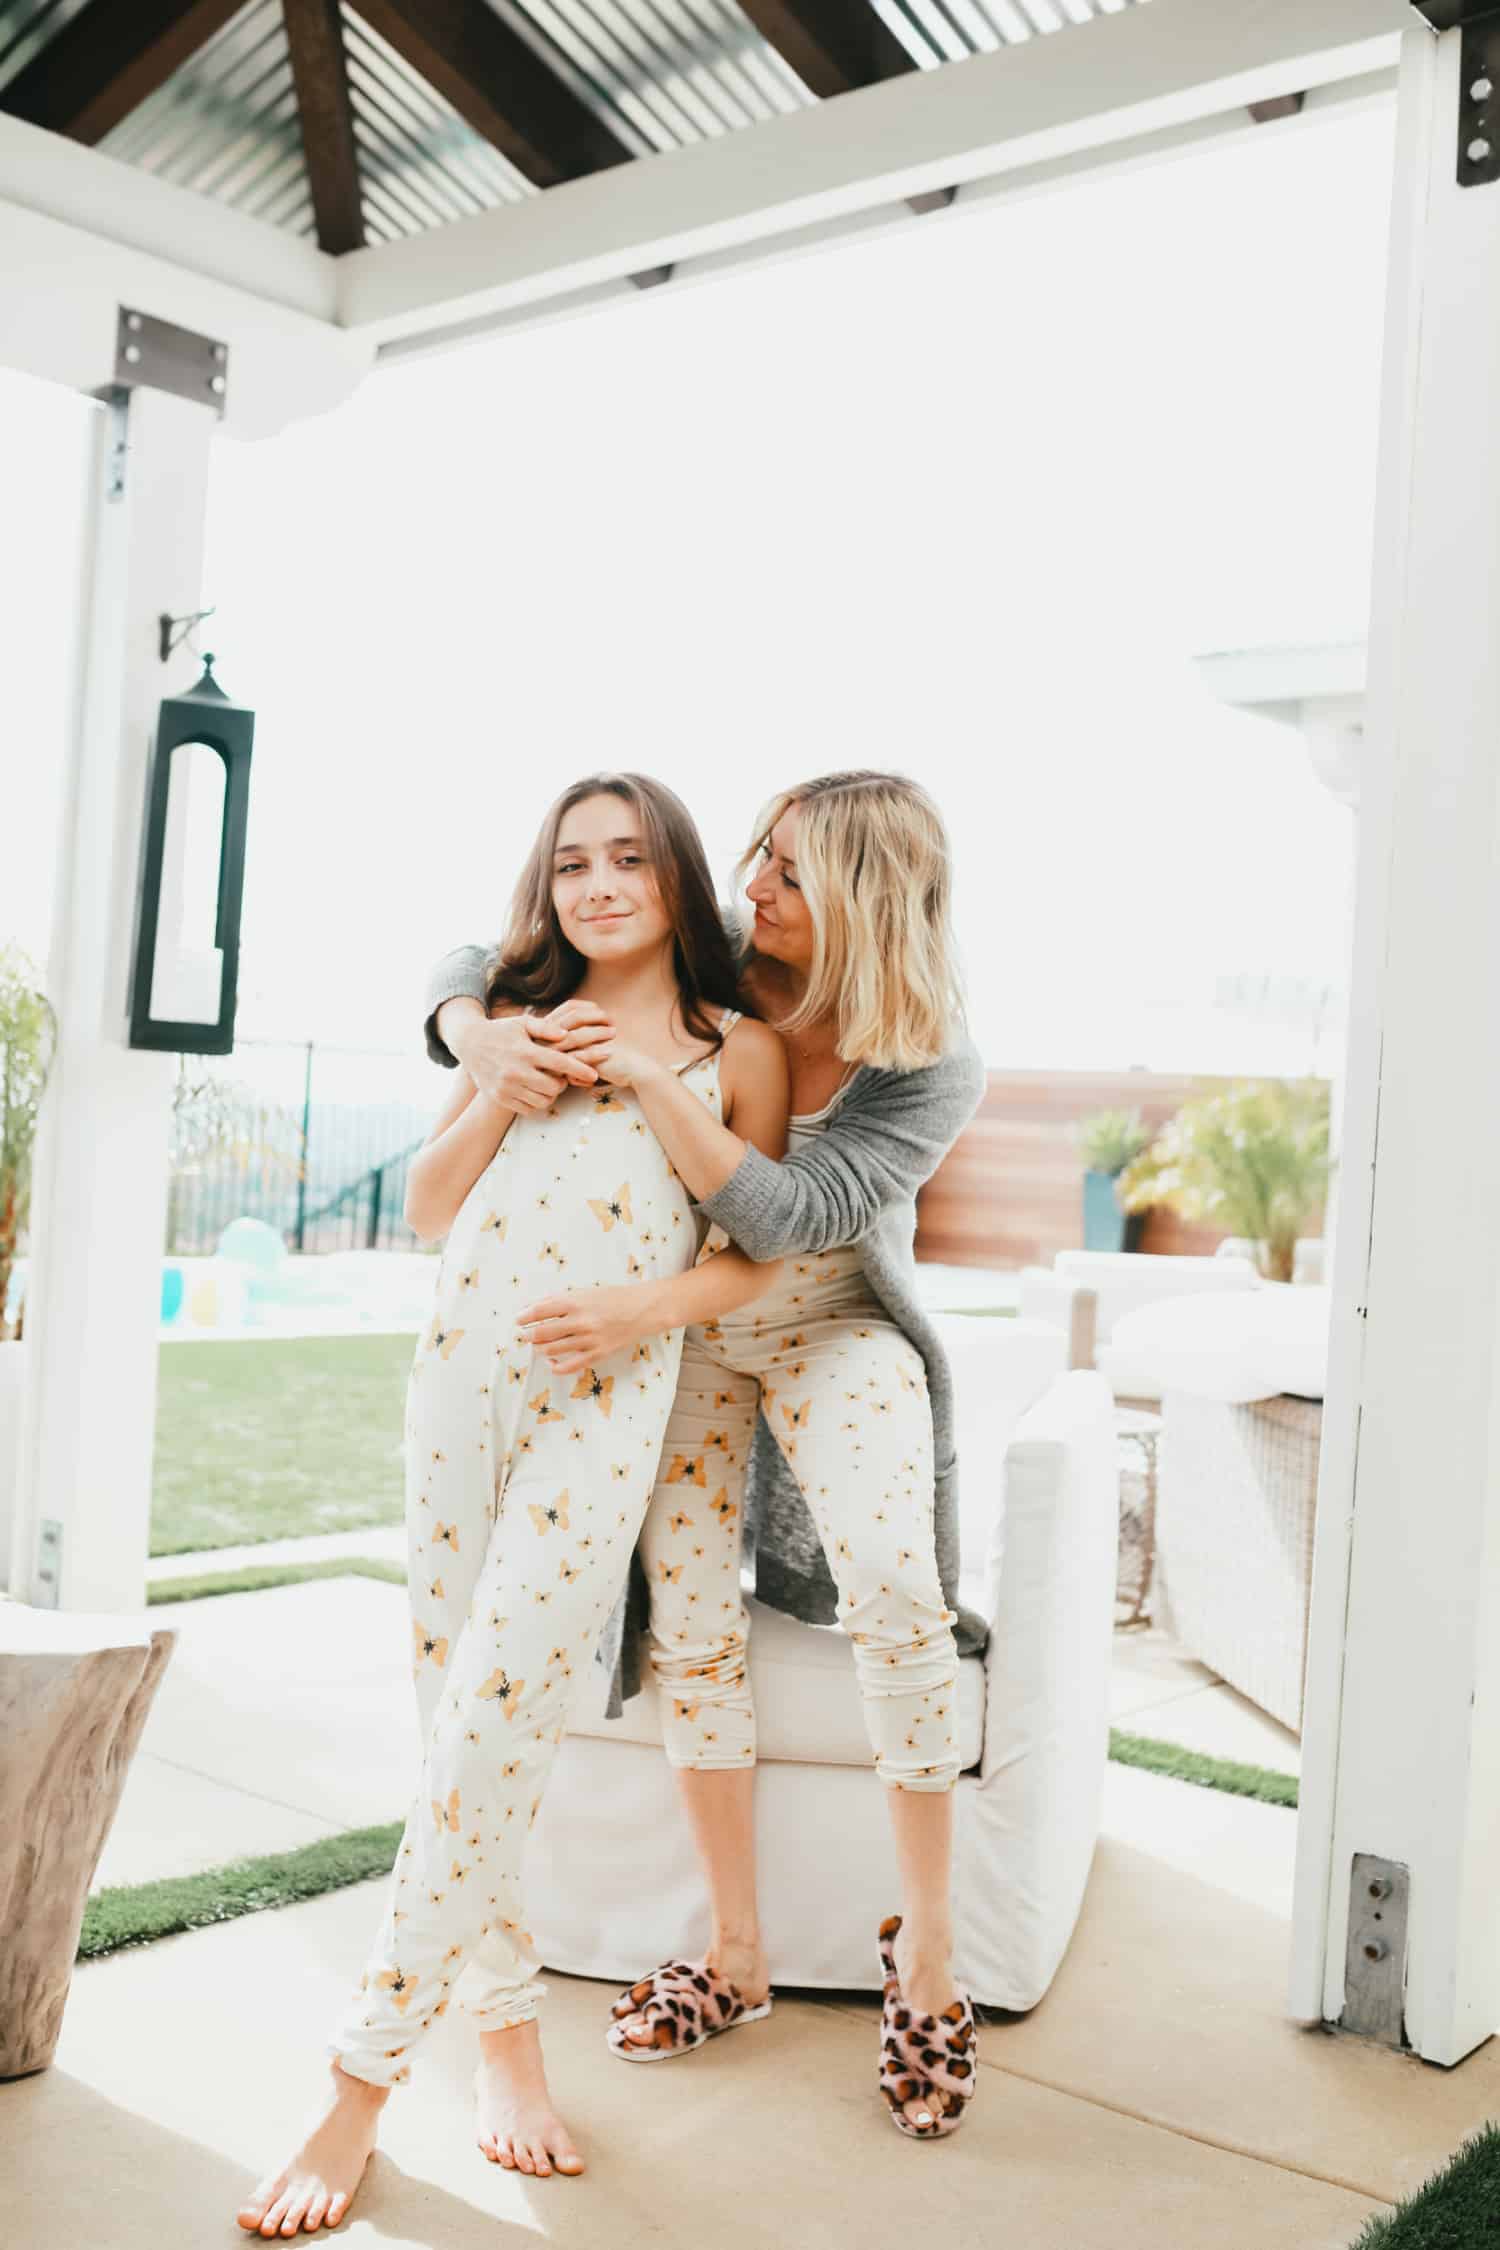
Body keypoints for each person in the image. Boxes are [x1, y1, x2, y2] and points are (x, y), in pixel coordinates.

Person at [236, 774, 788, 2237]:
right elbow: (426, 1209)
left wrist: (638, 1309)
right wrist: (497, 1072)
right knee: (450, 1719)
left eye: (625, 857)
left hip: (602, 1407)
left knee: (494, 1713)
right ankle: (503, 2043)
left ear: (674, 875)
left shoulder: (740, 1050)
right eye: (571, 865)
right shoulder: (514, 1016)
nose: (599, 884)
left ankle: (357, 2084)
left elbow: (755, 1255)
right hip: (454, 1381)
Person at [426, 770, 989, 2141]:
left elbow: (787, 1213)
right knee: (690, 1628)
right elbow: (485, 953)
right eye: (753, 859)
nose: (753, 886)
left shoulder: (929, 1060)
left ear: (857, 894)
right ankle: (735, 1956)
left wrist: (645, 1083)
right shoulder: (724, 966)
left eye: (786, 871)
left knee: (895, 1589)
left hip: (822, 1322)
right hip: (678, 1343)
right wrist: (471, 1033)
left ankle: (928, 1957)